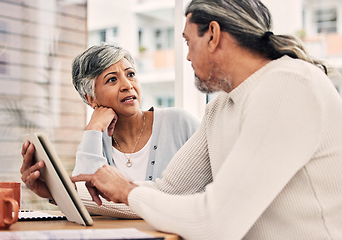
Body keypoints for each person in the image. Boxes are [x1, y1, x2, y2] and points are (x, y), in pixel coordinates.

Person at [70, 0, 342, 239]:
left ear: (212, 35)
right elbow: (168, 190)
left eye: (188, 42)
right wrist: (58, 192)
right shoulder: (222, 107)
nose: (186, 56)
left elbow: (215, 223)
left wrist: (127, 190)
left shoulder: (287, 86)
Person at [20, 43, 200, 217]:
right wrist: (93, 129)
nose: (127, 85)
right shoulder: (95, 141)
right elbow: (91, 202)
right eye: (112, 79)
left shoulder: (180, 123)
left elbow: (180, 198)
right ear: (91, 99)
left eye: (130, 74)